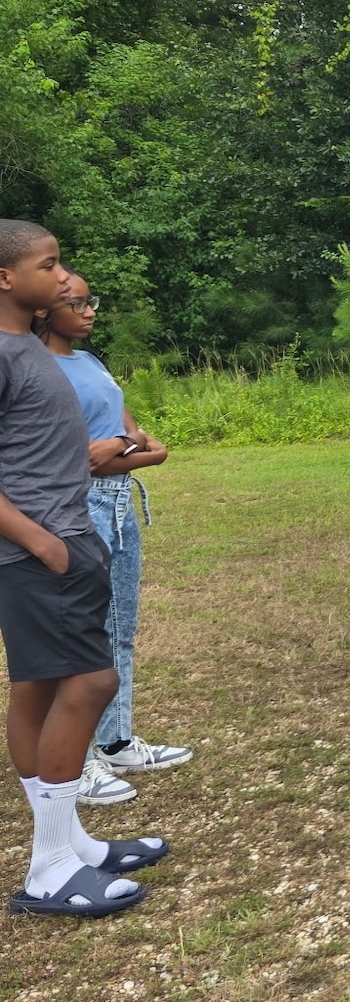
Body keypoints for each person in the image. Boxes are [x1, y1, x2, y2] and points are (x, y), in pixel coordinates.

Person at [1, 222, 167, 917]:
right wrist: (43, 544)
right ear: (8, 278)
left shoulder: (25, 346)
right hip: (40, 551)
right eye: (51, 264)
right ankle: (48, 869)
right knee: (92, 678)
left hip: (65, 537)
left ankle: (72, 846)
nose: (64, 277)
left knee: (38, 687)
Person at [38, 275, 190, 805]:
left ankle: (116, 740)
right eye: (75, 303)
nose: (89, 312)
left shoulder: (93, 365)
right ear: (43, 311)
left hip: (120, 501)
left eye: (90, 302)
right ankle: (73, 765)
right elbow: (71, 457)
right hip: (78, 504)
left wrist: (120, 444)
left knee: (120, 628)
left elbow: (152, 445)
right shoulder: (37, 369)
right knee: (81, 634)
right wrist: (113, 451)